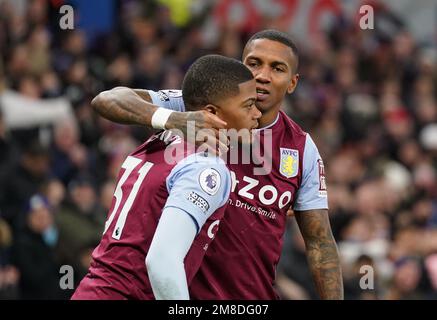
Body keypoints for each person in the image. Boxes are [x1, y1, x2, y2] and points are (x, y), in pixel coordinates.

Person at [92, 29, 343, 299]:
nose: (262, 75)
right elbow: (107, 100)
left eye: (277, 68)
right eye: (254, 63)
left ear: (292, 83)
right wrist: (174, 120)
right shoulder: (196, 105)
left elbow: (320, 242)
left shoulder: (301, 148)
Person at [71, 54, 261, 299]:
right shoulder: (206, 167)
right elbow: (162, 263)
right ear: (212, 112)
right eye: (248, 105)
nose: (257, 114)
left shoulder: (160, 139)